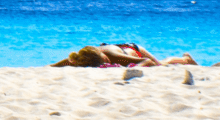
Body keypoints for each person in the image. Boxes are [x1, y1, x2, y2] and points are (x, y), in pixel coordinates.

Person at [50, 43, 198, 67]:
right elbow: (69, 60)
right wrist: (52, 66)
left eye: (104, 62)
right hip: (117, 46)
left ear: (104, 56)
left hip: (134, 49)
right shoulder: (85, 56)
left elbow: (146, 61)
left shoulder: (114, 56)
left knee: (161, 65)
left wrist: (131, 69)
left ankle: (185, 59)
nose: (106, 64)